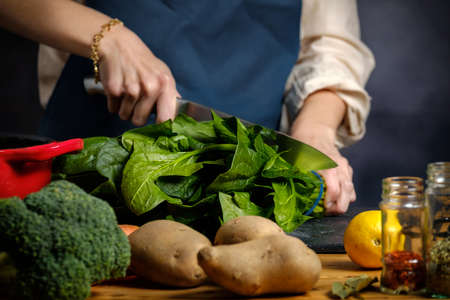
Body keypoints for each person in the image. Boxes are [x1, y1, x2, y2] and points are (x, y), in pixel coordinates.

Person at [0, 0, 374, 215]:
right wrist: (108, 37)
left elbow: (330, 46)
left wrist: (316, 133)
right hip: (93, 162)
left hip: (245, 187)